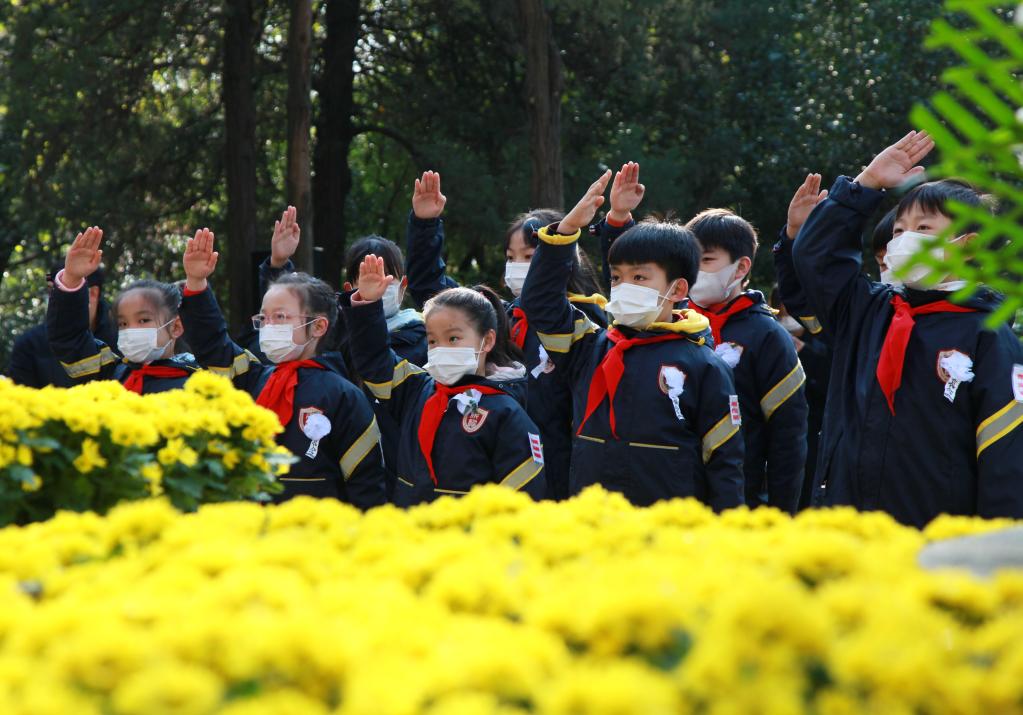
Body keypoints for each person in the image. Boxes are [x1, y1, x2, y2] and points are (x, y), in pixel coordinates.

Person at [792, 130, 1023, 526]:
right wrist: (866, 184)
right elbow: (816, 258)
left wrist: (993, 546)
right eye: (899, 231)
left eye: (923, 229)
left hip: (937, 537)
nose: (903, 241)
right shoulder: (868, 311)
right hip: (848, 525)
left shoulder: (988, 334)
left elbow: (1006, 455)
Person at [520, 171, 745, 509]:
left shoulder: (704, 365)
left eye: (639, 277)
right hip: (592, 519)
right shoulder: (588, 348)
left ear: (678, 289)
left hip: (669, 528)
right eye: (616, 278)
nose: (624, 287)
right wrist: (566, 231)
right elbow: (540, 303)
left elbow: (725, 463)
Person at [404, 171, 607, 500]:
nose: (517, 266)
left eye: (529, 256)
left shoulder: (584, 321)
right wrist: (425, 226)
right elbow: (439, 297)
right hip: (501, 461)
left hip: (562, 468)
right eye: (511, 258)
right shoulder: (502, 316)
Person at [178, 228, 386, 508]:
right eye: (264, 318)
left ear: (318, 326)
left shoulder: (344, 395)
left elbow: (366, 484)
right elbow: (214, 345)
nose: (269, 326)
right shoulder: (254, 378)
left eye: (280, 317)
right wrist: (196, 282)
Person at [345, 256, 546, 506]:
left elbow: (523, 499)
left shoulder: (506, 412)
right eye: (432, 340)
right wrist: (367, 306)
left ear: (487, 340)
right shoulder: (416, 389)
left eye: (453, 339)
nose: (440, 348)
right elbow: (374, 361)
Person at [684, 208, 808, 514]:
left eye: (706, 260)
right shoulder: (676, 324)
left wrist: (778, 516)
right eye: (689, 260)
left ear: (740, 267)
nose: (694, 270)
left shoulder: (768, 335)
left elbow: (787, 439)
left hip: (741, 501)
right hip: (677, 497)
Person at [47, 227, 199, 393]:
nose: (131, 329)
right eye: (123, 323)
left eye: (143, 320)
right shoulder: (111, 373)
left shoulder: (198, 385)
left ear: (176, 327)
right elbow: (70, 340)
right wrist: (71, 278)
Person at [7, 262, 117, 387]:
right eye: (52, 291)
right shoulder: (29, 344)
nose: (56, 298)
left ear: (93, 293)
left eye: (68, 291)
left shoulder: (122, 339)